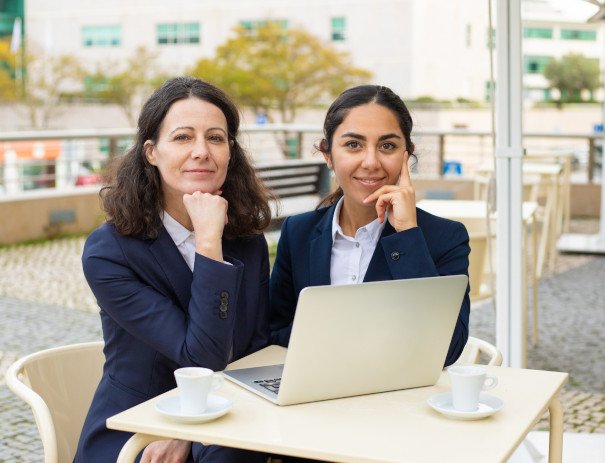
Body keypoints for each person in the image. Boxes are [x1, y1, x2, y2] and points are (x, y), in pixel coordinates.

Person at [75, 77, 271, 463]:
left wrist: (193, 431)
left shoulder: (247, 240)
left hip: (229, 419)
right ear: (151, 151)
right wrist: (208, 245)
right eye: (183, 137)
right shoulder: (109, 252)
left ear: (231, 151)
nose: (202, 151)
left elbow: (254, 352)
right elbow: (202, 355)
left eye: (216, 138)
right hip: (135, 431)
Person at [269, 85, 470, 367]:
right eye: (353, 145)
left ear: (406, 155)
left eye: (387, 146)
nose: (371, 162)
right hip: (314, 395)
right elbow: (274, 331)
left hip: (399, 399)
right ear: (328, 154)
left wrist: (407, 236)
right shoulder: (298, 233)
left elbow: (448, 349)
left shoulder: (445, 237)